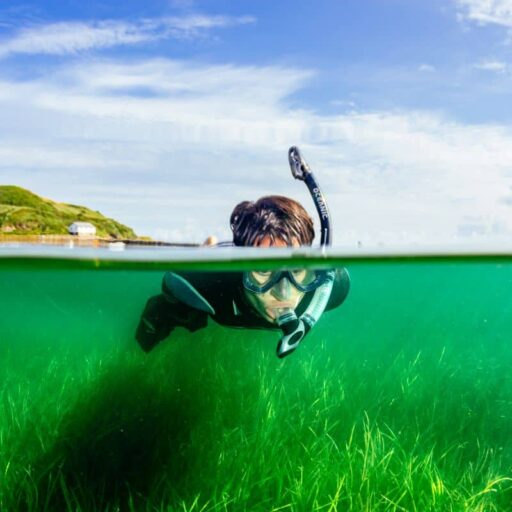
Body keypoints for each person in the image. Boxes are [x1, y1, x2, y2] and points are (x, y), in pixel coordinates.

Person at [135, 195, 350, 355]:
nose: (283, 292)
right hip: (210, 293)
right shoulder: (205, 281)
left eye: (295, 269)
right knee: (179, 315)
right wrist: (196, 262)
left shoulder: (332, 287)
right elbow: (172, 281)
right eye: (264, 269)